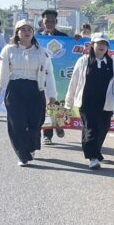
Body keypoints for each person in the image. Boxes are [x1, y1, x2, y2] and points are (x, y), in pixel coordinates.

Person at [0, 20, 57, 166]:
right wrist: (0, 90)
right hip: (15, 89)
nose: (26, 32)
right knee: (17, 123)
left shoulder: (42, 51)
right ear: (17, 32)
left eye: (29, 29)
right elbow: (2, 73)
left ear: (33, 32)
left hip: (35, 89)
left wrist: (52, 95)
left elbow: (49, 74)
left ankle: (31, 147)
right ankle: (22, 154)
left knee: (35, 122)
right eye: (23, 29)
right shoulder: (8, 50)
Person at [64, 33, 114, 169]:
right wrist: (68, 103)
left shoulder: (112, 64)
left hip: (105, 103)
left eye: (104, 44)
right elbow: (74, 82)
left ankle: (96, 151)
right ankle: (92, 157)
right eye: (98, 43)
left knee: (103, 129)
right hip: (87, 102)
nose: (101, 46)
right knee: (91, 128)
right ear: (92, 45)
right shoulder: (83, 61)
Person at [38, 9, 67, 143]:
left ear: (56, 21)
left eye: (52, 21)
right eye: (47, 21)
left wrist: (77, 39)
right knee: (47, 105)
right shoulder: (36, 37)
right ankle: (47, 135)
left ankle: (59, 126)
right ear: (42, 22)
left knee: (58, 103)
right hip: (44, 76)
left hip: (59, 75)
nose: (49, 23)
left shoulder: (64, 37)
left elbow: (73, 49)